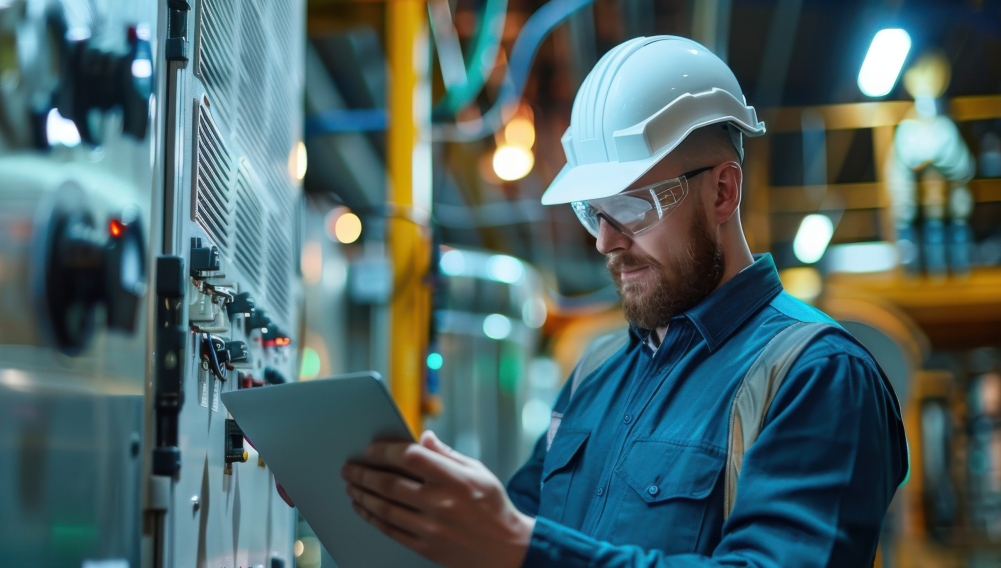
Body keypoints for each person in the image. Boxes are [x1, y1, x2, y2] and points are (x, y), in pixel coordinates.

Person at [280, 35, 909, 568]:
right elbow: (515, 535)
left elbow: (523, 544)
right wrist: (397, 505)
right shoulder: (594, 373)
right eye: (593, 212)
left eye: (631, 206)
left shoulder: (816, 375)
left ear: (722, 192)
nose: (607, 240)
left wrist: (515, 542)